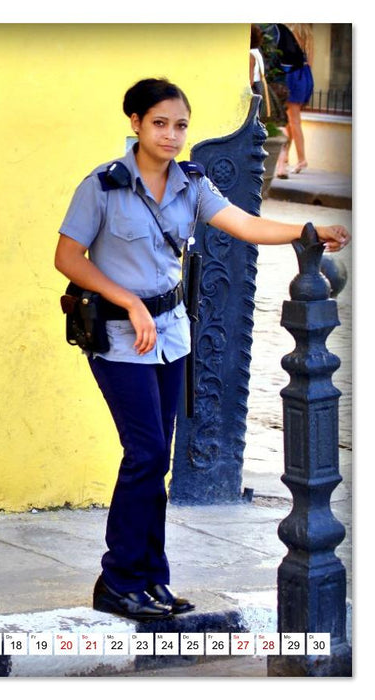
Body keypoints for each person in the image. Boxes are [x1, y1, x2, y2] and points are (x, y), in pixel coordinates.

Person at [54, 78, 349, 621]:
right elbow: (68, 258)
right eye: (160, 123)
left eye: (181, 125)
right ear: (136, 123)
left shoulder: (193, 183)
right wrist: (129, 301)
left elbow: (244, 223)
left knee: (156, 463)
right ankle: (117, 580)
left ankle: (151, 579)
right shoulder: (102, 185)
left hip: (170, 337)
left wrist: (309, 228)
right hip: (119, 337)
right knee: (144, 455)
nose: (171, 135)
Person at [273, 23, 314, 178]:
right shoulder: (308, 34)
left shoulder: (291, 31)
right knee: (291, 121)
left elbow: (288, 57)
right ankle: (286, 158)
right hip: (304, 75)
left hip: (293, 75)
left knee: (293, 121)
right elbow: (310, 61)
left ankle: (301, 159)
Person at [249, 25, 271, 121]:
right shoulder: (257, 52)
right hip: (260, 87)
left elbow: (250, 80)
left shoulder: (250, 55)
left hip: (254, 90)